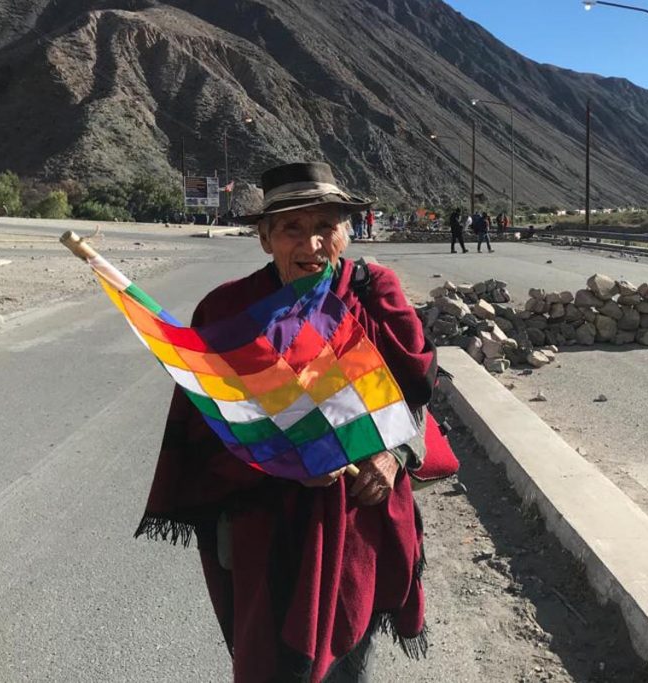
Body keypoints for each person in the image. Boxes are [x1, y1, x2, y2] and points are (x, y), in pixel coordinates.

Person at [136, 162, 435, 683]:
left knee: (348, 656)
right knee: (268, 659)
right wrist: (282, 466)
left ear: (348, 230)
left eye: (326, 226)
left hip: (356, 514)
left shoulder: (371, 292)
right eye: (293, 228)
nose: (313, 244)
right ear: (265, 238)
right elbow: (207, 426)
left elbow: (416, 394)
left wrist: (392, 457)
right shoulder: (230, 311)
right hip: (263, 520)